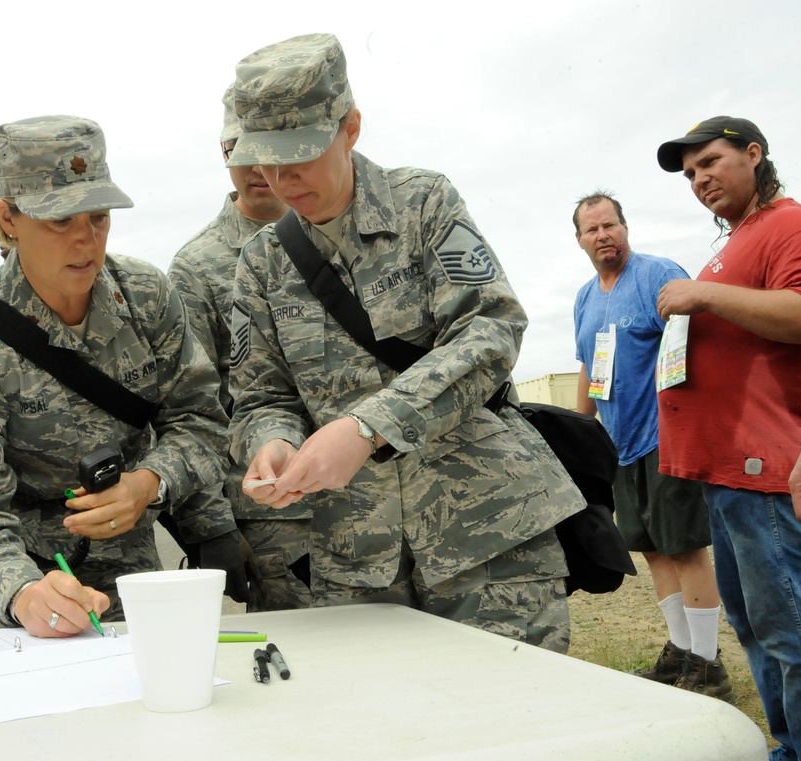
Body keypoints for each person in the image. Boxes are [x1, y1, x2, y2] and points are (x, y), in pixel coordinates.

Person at [227, 33, 586, 652]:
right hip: (358, 558)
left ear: (351, 128)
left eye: (303, 156)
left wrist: (368, 427)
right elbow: (259, 394)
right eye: (268, 163)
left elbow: (492, 328)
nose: (284, 180)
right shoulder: (261, 264)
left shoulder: (425, 203)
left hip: (487, 532)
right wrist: (273, 443)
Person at [0, 115, 245, 638]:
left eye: (98, 217)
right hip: (16, 591)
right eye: (59, 221)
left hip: (132, 584)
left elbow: (203, 421)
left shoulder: (147, 298)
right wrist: (23, 592)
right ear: (8, 220)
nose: (85, 241)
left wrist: (151, 482)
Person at [656, 116, 801, 758]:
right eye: (691, 174)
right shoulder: (737, 238)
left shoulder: (787, 223)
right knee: (753, 625)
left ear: (754, 153)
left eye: (711, 162)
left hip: (766, 466)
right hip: (726, 474)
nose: (701, 179)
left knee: (791, 630)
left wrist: (705, 295)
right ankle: (785, 744)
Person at [572, 191, 730, 700]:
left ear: (625, 227)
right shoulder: (584, 298)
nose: (604, 235)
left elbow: (702, 345)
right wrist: (581, 433)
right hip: (619, 446)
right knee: (652, 551)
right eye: (592, 229)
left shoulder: (658, 274)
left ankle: (709, 667)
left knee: (684, 548)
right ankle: (681, 651)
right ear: (580, 240)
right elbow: (587, 368)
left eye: (610, 224)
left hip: (667, 437)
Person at [168, 86, 313, 611]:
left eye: (268, 150)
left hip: (379, 488)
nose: (255, 166)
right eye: (238, 151)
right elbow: (190, 408)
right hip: (279, 515)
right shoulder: (197, 266)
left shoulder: (341, 232)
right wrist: (213, 526)